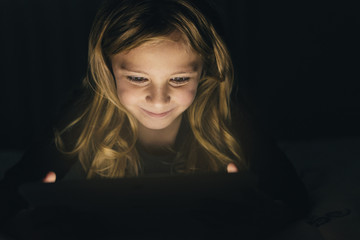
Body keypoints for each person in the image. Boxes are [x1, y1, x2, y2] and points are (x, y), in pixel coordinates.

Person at [0, 0, 310, 238]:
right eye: (137, 78)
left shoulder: (228, 118)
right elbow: (10, 193)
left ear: (204, 73)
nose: (158, 99)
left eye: (178, 79)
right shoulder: (84, 118)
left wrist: (265, 217)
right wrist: (23, 223)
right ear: (108, 70)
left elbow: (292, 196)